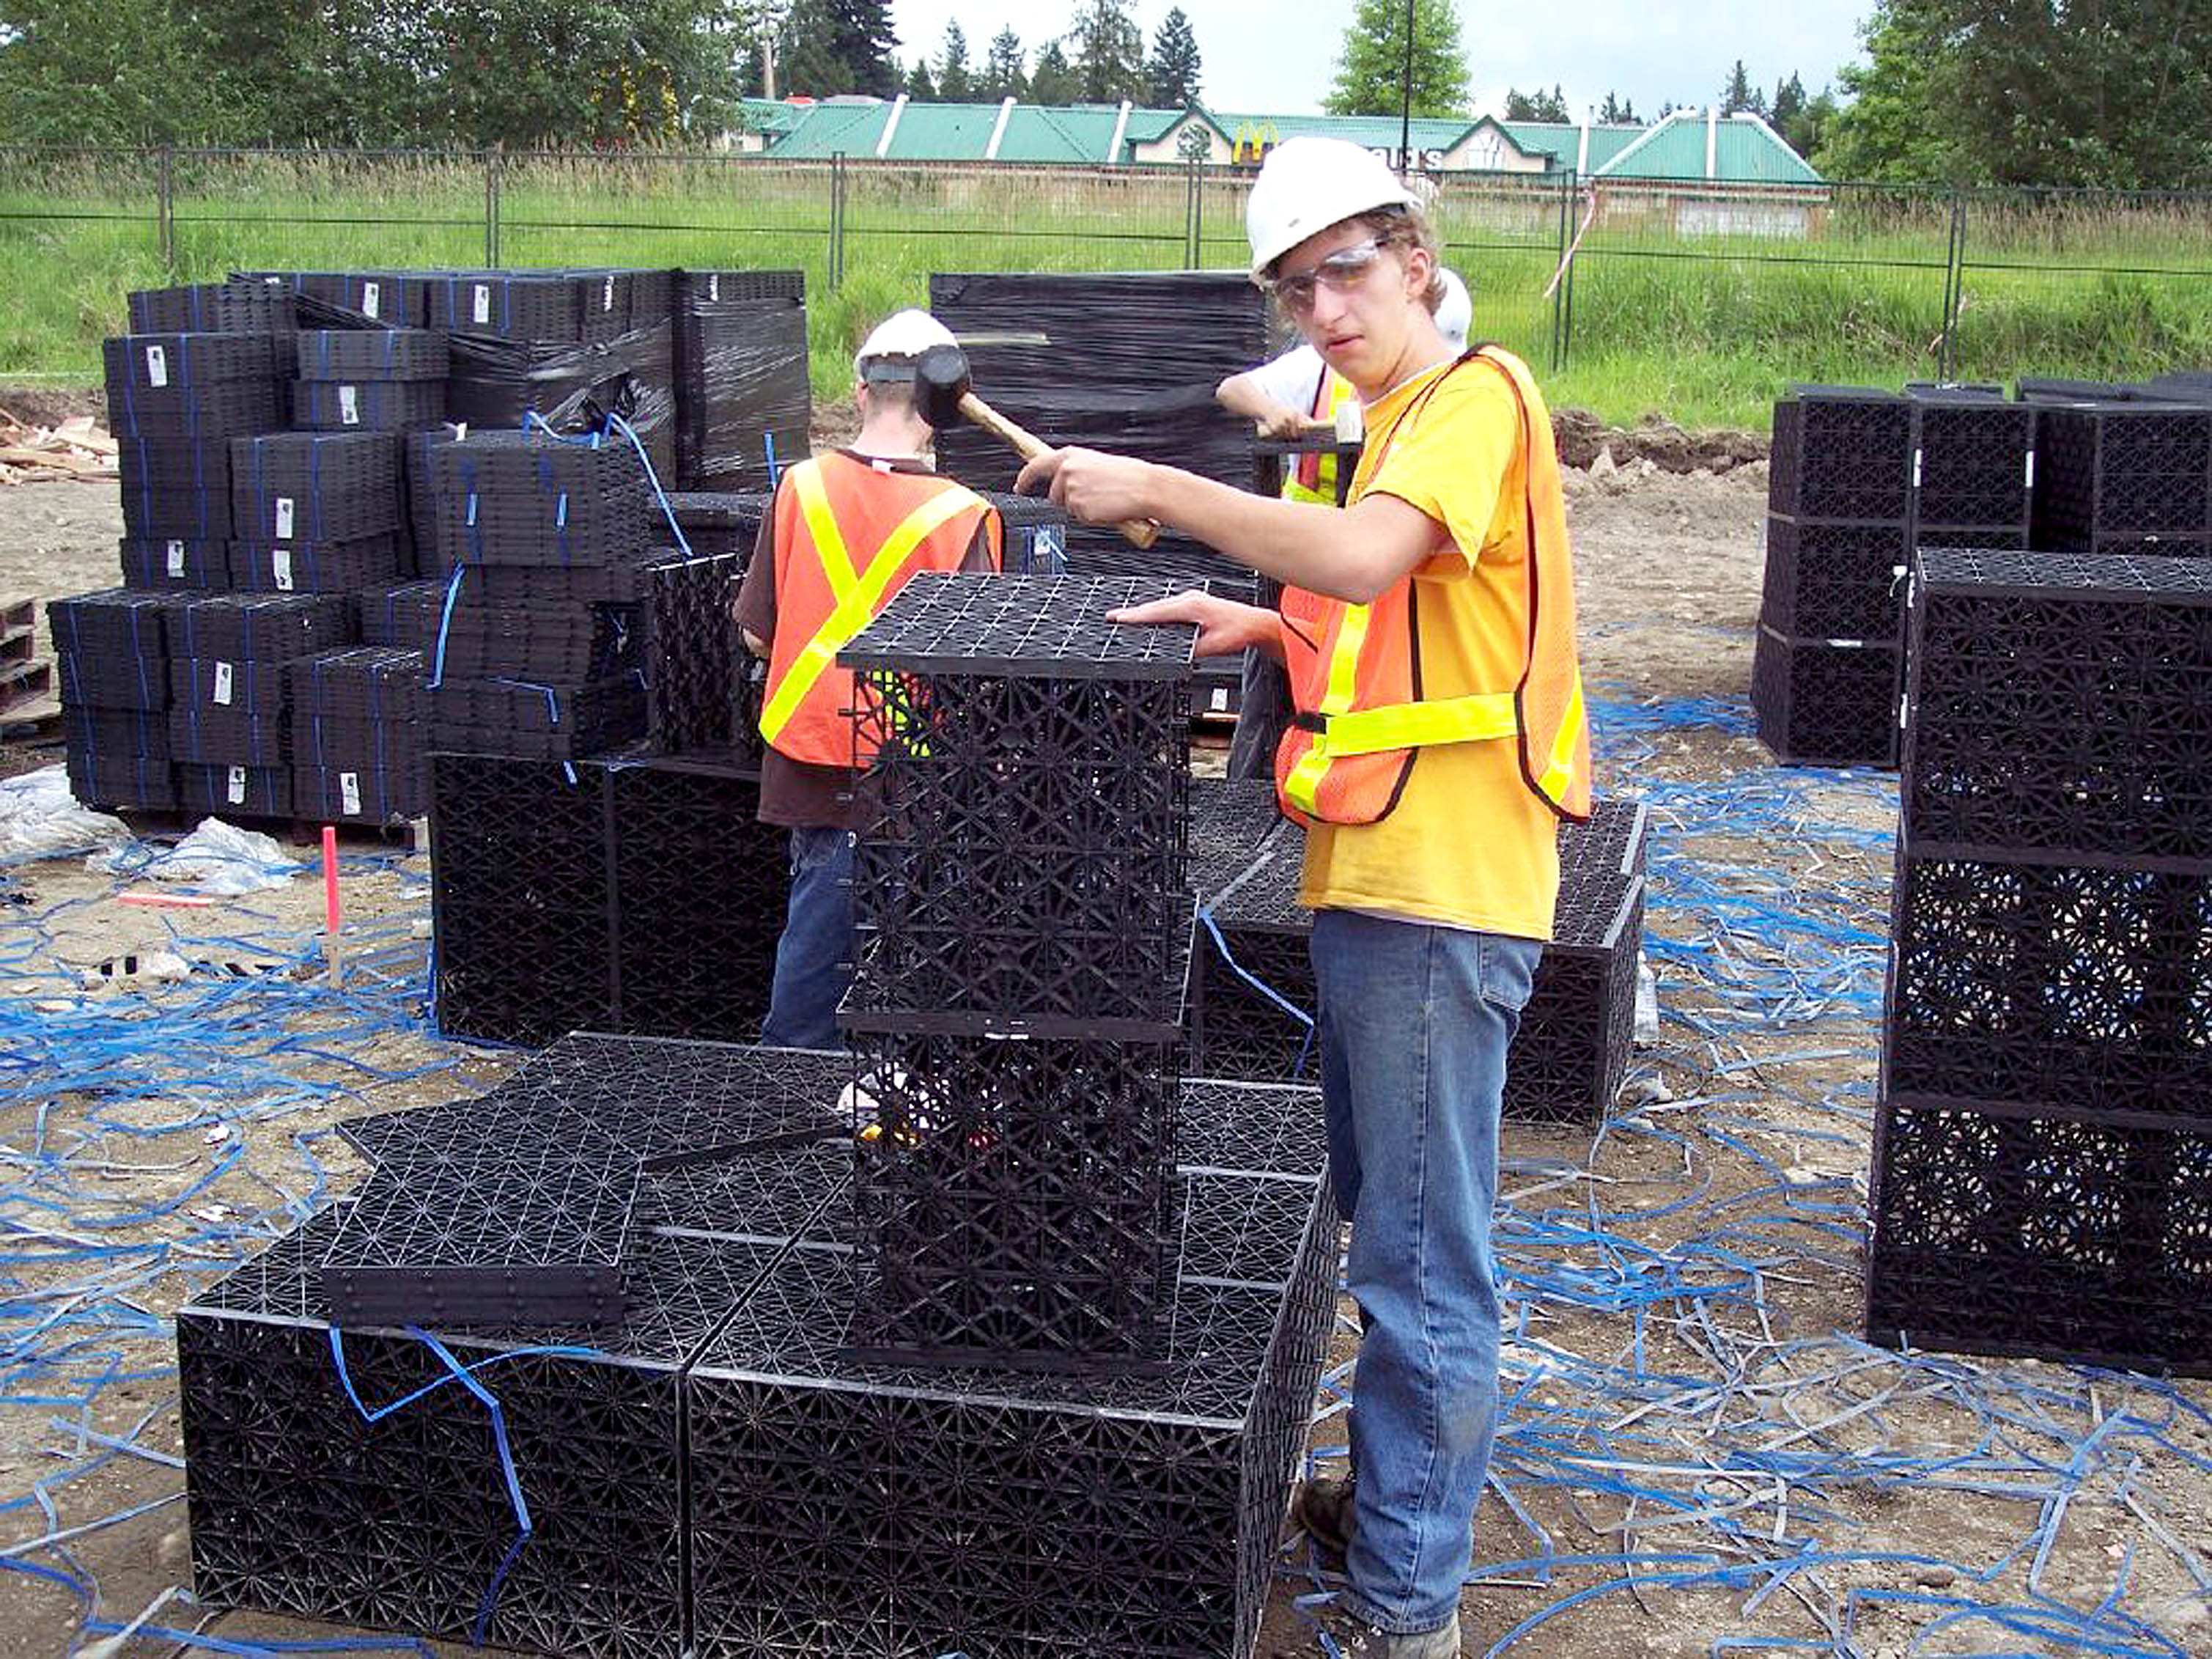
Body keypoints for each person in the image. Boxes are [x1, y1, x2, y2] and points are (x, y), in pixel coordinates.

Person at [1016, 136, 1590, 1658]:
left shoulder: (1471, 402)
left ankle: (1407, 1608)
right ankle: (1394, 1511)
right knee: (1387, 1226)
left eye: (1346, 268)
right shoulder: (1402, 413)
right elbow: (1394, 614)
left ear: (1415, 256)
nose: (1323, 307)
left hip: (1439, 892)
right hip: (1387, 878)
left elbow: (1366, 551)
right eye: (1295, 285)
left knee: (1419, 1263)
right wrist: (1268, 625)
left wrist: (1163, 492)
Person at [737, 309, 1003, 1050]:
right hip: (915, 764)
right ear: (945, 404)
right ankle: (898, 1093)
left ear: (859, 392)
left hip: (809, 748)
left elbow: (758, 631)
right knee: (915, 942)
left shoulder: (799, 487)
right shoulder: (963, 512)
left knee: (818, 930)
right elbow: (976, 674)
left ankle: (795, 1076)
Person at [1213, 268, 1472, 779]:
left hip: (1377, 574)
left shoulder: (1457, 403)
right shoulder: (1325, 367)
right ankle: (1258, 786)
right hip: (1303, 569)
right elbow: (1234, 389)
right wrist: (1272, 412)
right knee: (1274, 694)